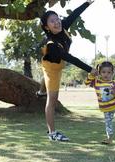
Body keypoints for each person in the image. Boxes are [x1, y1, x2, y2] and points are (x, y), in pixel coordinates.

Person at [38, 0, 96, 141]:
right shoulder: (52, 44)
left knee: (45, 82)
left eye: (57, 18)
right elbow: (71, 58)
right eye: (52, 21)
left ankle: (40, 91)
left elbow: (75, 14)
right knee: (52, 100)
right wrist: (90, 69)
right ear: (47, 27)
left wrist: (87, 3)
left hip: (59, 63)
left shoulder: (62, 26)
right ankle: (52, 134)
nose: (57, 22)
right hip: (51, 68)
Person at [85, 61, 115, 144]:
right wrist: (92, 74)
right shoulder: (96, 82)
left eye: (109, 72)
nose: (106, 74)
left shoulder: (113, 83)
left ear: (112, 73)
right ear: (99, 73)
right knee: (108, 124)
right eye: (103, 72)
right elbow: (86, 83)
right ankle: (109, 139)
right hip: (106, 108)